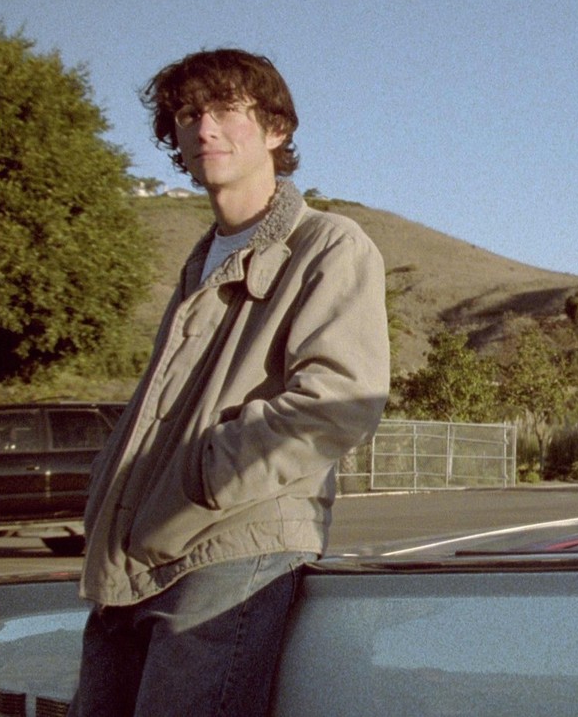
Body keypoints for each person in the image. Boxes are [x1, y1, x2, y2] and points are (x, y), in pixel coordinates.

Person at [69, 49, 390, 716]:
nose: (204, 128)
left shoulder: (329, 244)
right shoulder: (201, 260)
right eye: (188, 114)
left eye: (224, 109)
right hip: (132, 555)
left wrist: (205, 476)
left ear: (276, 128)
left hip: (232, 550)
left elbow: (339, 402)